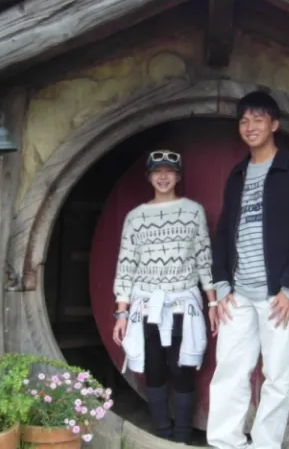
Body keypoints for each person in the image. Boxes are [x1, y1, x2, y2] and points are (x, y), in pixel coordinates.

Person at [206, 91, 289, 449]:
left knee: (277, 376)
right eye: (244, 120)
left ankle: (265, 445)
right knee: (229, 371)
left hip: (279, 296)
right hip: (238, 295)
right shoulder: (238, 174)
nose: (249, 126)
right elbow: (224, 232)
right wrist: (222, 285)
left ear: (274, 125)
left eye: (258, 119)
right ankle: (224, 442)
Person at [112, 149, 219, 444]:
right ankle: (162, 436)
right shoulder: (135, 218)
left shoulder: (193, 211)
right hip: (147, 307)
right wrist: (121, 312)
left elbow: (204, 259)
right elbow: (126, 265)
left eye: (169, 171)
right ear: (149, 177)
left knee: (183, 372)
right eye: (157, 171)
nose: (163, 177)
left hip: (183, 306)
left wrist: (212, 302)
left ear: (178, 176)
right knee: (154, 371)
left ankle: (181, 438)